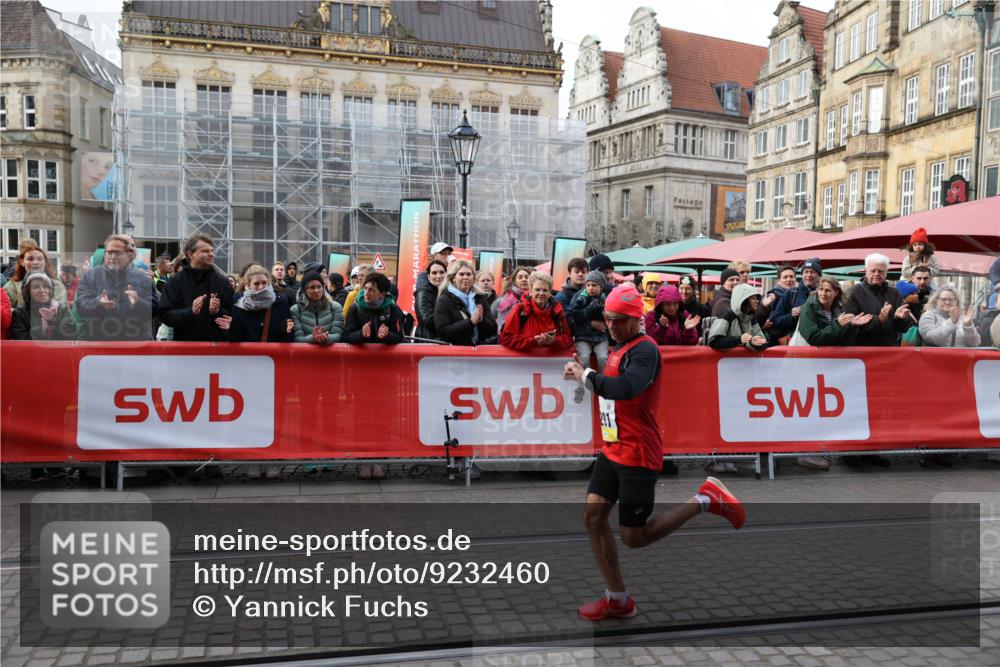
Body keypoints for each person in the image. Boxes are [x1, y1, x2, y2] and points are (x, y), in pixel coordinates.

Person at [562, 283, 745, 622]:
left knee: (634, 537)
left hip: (638, 453)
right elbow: (610, 388)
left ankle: (705, 499)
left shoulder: (645, 350)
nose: (612, 325)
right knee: (592, 517)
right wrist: (585, 377)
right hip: (613, 448)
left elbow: (627, 388)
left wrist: (585, 375)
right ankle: (617, 599)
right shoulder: (620, 346)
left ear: (636, 319)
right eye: (608, 319)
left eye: (620, 320)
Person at [794, 276, 871, 470]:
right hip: (805, 366)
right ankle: (805, 453)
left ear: (836, 293)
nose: (823, 293)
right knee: (807, 409)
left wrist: (852, 326)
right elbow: (814, 337)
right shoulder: (809, 308)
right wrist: (838, 325)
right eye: (821, 289)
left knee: (822, 410)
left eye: (828, 290)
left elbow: (843, 341)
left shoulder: (839, 310)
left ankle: (819, 450)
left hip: (827, 368)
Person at [75, 234, 156, 341]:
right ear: (105, 254)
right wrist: (98, 303)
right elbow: (81, 306)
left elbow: (154, 310)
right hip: (100, 342)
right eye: (109, 252)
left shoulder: (143, 278)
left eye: (118, 253)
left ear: (128, 255)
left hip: (135, 342)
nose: (113, 257)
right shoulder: (90, 276)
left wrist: (138, 302)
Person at [158, 233, 235, 342]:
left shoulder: (223, 282)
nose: (211, 254)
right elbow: (165, 315)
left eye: (212, 251)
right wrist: (191, 312)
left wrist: (217, 311)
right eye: (205, 251)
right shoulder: (175, 282)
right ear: (191, 254)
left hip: (215, 346)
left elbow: (233, 314)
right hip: (185, 346)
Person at [843, 253, 913, 347]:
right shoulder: (853, 292)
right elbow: (848, 327)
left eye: (880, 271)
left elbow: (904, 329)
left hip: (889, 348)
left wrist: (900, 319)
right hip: (863, 349)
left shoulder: (894, 292)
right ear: (866, 271)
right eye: (873, 271)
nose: (876, 274)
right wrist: (878, 319)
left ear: (886, 272)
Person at [218, 264, 294, 344]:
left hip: (271, 352)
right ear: (248, 284)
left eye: (264, 283)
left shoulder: (280, 301)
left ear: (268, 282)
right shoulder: (237, 302)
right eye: (256, 284)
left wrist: (285, 331)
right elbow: (235, 339)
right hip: (247, 351)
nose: (261, 287)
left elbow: (288, 339)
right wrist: (232, 329)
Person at [500, 271, 574, 351]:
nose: (541, 293)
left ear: (550, 292)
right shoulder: (520, 309)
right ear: (530, 291)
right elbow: (506, 338)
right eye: (537, 289)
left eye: (545, 290)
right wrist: (533, 341)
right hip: (526, 358)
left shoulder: (557, 310)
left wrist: (554, 341)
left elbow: (568, 338)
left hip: (550, 358)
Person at [433, 260, 498, 346]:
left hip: (479, 350)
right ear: (453, 278)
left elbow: (493, 329)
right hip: (456, 351)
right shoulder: (444, 300)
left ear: (473, 278)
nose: (465, 277)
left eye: (468, 274)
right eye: (461, 274)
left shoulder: (480, 298)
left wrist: (482, 321)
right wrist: (470, 322)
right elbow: (443, 332)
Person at [9, 273, 78, 340]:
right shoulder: (20, 313)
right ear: (27, 291)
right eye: (36, 287)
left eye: (45, 286)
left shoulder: (61, 309)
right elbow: (20, 340)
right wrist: (40, 330)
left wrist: (56, 322)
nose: (42, 290)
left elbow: (72, 336)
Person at [343, 271, 405, 346]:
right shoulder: (355, 308)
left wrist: (386, 335)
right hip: (361, 353)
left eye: (372, 290)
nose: (366, 293)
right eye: (366, 288)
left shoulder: (392, 309)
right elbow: (346, 336)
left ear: (383, 294)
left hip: (384, 353)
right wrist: (361, 334)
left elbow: (399, 337)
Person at [769, 258, 822, 344]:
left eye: (812, 272)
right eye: (806, 272)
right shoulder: (791, 293)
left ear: (819, 275)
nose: (809, 275)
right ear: (802, 274)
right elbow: (776, 320)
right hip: (796, 343)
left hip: (819, 343)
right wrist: (791, 316)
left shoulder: (823, 294)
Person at [707, 283, 769, 353]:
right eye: (753, 298)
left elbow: (764, 344)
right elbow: (714, 342)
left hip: (744, 359)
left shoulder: (751, 318)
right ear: (743, 299)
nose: (757, 301)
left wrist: (753, 343)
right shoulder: (727, 316)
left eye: (757, 298)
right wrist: (739, 339)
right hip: (727, 359)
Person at [4, 241, 67, 309]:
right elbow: (5, 309)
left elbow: (59, 309)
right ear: (22, 262)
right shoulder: (12, 286)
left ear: (44, 262)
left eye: (40, 259)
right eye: (30, 259)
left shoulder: (57, 285)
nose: (36, 262)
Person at [291, 270, 344, 345]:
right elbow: (297, 338)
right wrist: (312, 338)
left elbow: (338, 335)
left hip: (329, 351)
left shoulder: (335, 307)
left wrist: (326, 338)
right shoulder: (296, 310)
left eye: (319, 287)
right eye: (312, 287)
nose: (316, 290)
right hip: (305, 352)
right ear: (304, 290)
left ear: (323, 287)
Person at [758, 265, 796, 335]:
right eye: (785, 277)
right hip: (777, 337)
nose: (789, 279)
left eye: (791, 276)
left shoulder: (797, 294)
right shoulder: (772, 296)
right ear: (778, 280)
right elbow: (768, 320)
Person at [414, 259, 447, 339]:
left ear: (446, 274)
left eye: (441, 272)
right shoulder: (423, 293)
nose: (438, 276)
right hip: (428, 340)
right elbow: (428, 321)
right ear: (429, 276)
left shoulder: (449, 291)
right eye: (434, 273)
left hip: (445, 339)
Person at [495, 265, 532, 333]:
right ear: (515, 281)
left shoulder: (537, 297)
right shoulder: (505, 300)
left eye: (527, 277)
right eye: (520, 277)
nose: (524, 279)